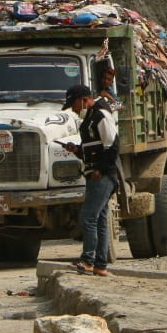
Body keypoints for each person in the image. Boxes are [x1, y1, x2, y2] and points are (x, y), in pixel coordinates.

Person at [63, 83, 118, 276]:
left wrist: (100, 170)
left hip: (103, 176)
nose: (74, 110)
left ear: (84, 100)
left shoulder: (101, 115)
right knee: (100, 219)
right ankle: (100, 265)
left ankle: (87, 260)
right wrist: (77, 150)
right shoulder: (89, 120)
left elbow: (112, 147)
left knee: (88, 217)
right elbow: (94, 150)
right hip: (97, 174)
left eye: (75, 105)